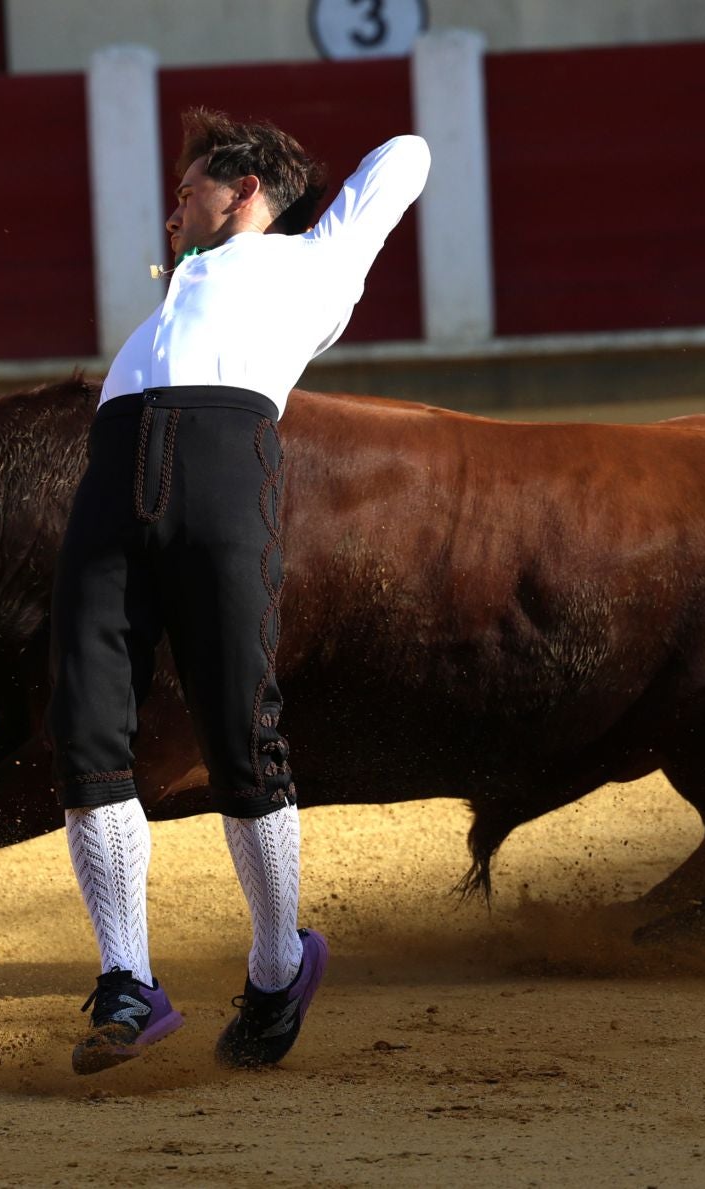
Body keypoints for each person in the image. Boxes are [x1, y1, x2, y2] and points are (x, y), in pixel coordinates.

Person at [49, 108, 429, 1075]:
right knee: (86, 726)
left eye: (192, 188)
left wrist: (316, 213)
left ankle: (277, 965)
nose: (173, 210)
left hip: (224, 474)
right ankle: (126, 979)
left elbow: (408, 156)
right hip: (114, 477)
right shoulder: (177, 294)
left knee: (236, 729)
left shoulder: (316, 265)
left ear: (248, 190)